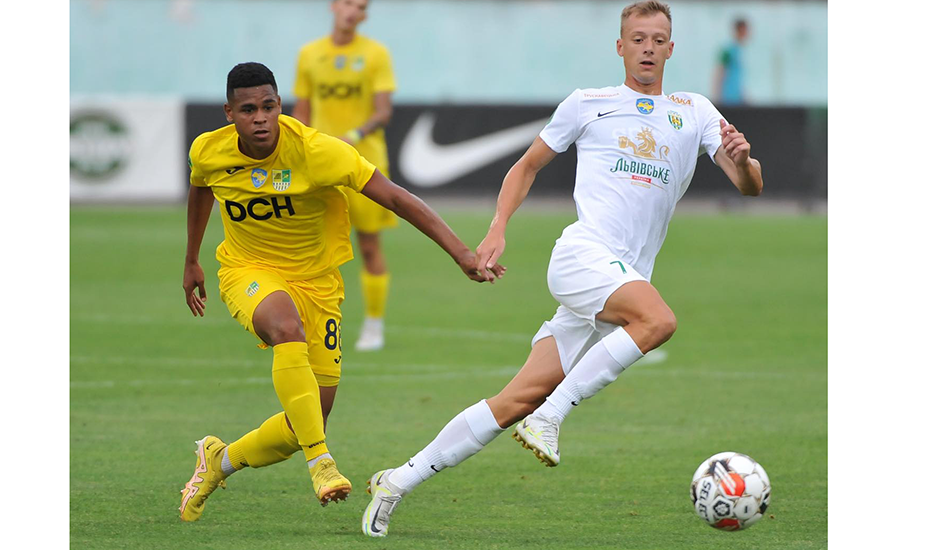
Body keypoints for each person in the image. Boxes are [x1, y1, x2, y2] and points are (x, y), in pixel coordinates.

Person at [361, 0, 763, 537]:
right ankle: (551, 416)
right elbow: (526, 166)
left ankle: (397, 481)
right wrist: (498, 227)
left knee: (515, 399)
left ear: (671, 48)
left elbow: (748, 185)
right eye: (637, 39)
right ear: (620, 47)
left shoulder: (695, 111)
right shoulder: (587, 103)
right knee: (657, 321)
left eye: (657, 39)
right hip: (583, 258)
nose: (647, 48)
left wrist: (742, 159)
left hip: (619, 280)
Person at [178, 62, 503, 522]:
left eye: (268, 107)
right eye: (248, 110)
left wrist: (462, 254)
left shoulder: (318, 152)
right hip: (248, 269)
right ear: (230, 113)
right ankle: (321, 463)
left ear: (279, 105)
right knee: (284, 327)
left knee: (306, 420)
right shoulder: (208, 150)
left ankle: (220, 461)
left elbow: (396, 197)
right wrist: (192, 258)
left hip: (318, 284)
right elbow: (201, 190)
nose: (260, 118)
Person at [292, 0, 397, 351]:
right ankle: (308, 322)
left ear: (365, 16)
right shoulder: (309, 54)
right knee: (311, 247)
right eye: (349, 3)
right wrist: (301, 148)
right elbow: (302, 111)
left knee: (368, 244)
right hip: (321, 164)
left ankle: (374, 325)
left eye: (361, 7)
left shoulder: (376, 53)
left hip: (365, 161)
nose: (353, 11)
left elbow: (383, 112)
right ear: (334, 6)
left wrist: (351, 137)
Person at [713, 18, 749, 106]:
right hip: (728, 97)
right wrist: (717, 96)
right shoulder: (728, 50)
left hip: (738, 97)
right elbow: (720, 71)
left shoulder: (741, 49)